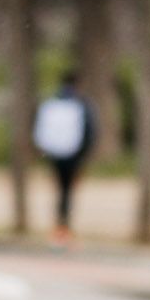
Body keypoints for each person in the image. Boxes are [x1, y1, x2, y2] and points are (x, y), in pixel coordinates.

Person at [32, 69, 95, 247]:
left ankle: (58, 228)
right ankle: (64, 228)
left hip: (54, 154)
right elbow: (90, 132)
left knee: (59, 190)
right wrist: (84, 154)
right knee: (67, 192)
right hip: (73, 155)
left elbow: (40, 131)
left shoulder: (51, 103)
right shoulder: (81, 104)